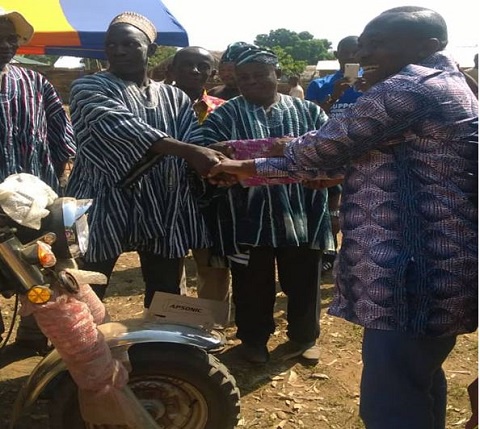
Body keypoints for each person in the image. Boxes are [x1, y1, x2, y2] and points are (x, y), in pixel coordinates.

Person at [209, 7, 478, 428]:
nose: (365, 51)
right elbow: (352, 156)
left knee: (391, 400)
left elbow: (322, 149)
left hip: (410, 270)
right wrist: (293, 165)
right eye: (364, 41)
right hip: (436, 265)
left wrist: (244, 166)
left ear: (430, 46)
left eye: (379, 42)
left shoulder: (409, 89)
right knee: (418, 379)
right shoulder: (446, 83)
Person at [66, 12, 225, 309]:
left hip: (163, 202)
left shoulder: (173, 97)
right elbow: (117, 125)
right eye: (111, 44)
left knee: (164, 289)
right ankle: (84, 351)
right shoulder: (88, 88)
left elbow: (194, 140)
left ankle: (160, 350)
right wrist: (190, 152)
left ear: (151, 50)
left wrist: (225, 154)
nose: (119, 50)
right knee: (90, 285)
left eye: (130, 44)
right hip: (104, 200)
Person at [203, 44, 334, 364]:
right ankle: (253, 341)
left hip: (303, 213)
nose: (250, 82)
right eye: (243, 77)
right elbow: (210, 152)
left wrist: (244, 154)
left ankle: (304, 338)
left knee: (303, 281)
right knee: (251, 283)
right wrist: (275, 149)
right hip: (247, 216)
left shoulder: (309, 112)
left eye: (259, 75)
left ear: (277, 75)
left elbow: (329, 151)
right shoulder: (225, 113)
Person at [0, 8, 76, 354]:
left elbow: (62, 132)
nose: (5, 45)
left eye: (10, 39)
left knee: (41, 265)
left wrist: (56, 177)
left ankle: (33, 337)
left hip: (32, 199)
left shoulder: (34, 81)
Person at [168, 46, 231, 305]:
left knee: (212, 265)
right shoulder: (153, 105)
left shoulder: (225, 110)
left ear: (212, 73)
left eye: (202, 66)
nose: (194, 70)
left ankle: (212, 324)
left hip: (212, 199)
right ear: (171, 70)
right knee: (167, 265)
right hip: (167, 194)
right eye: (186, 64)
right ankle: (172, 323)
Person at [305, 35, 364, 274]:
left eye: (355, 52)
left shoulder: (375, 84)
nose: (350, 57)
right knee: (331, 211)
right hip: (329, 156)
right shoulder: (321, 85)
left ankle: (357, 258)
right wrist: (334, 98)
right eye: (345, 52)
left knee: (362, 210)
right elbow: (309, 118)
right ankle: (329, 252)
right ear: (337, 55)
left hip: (364, 156)